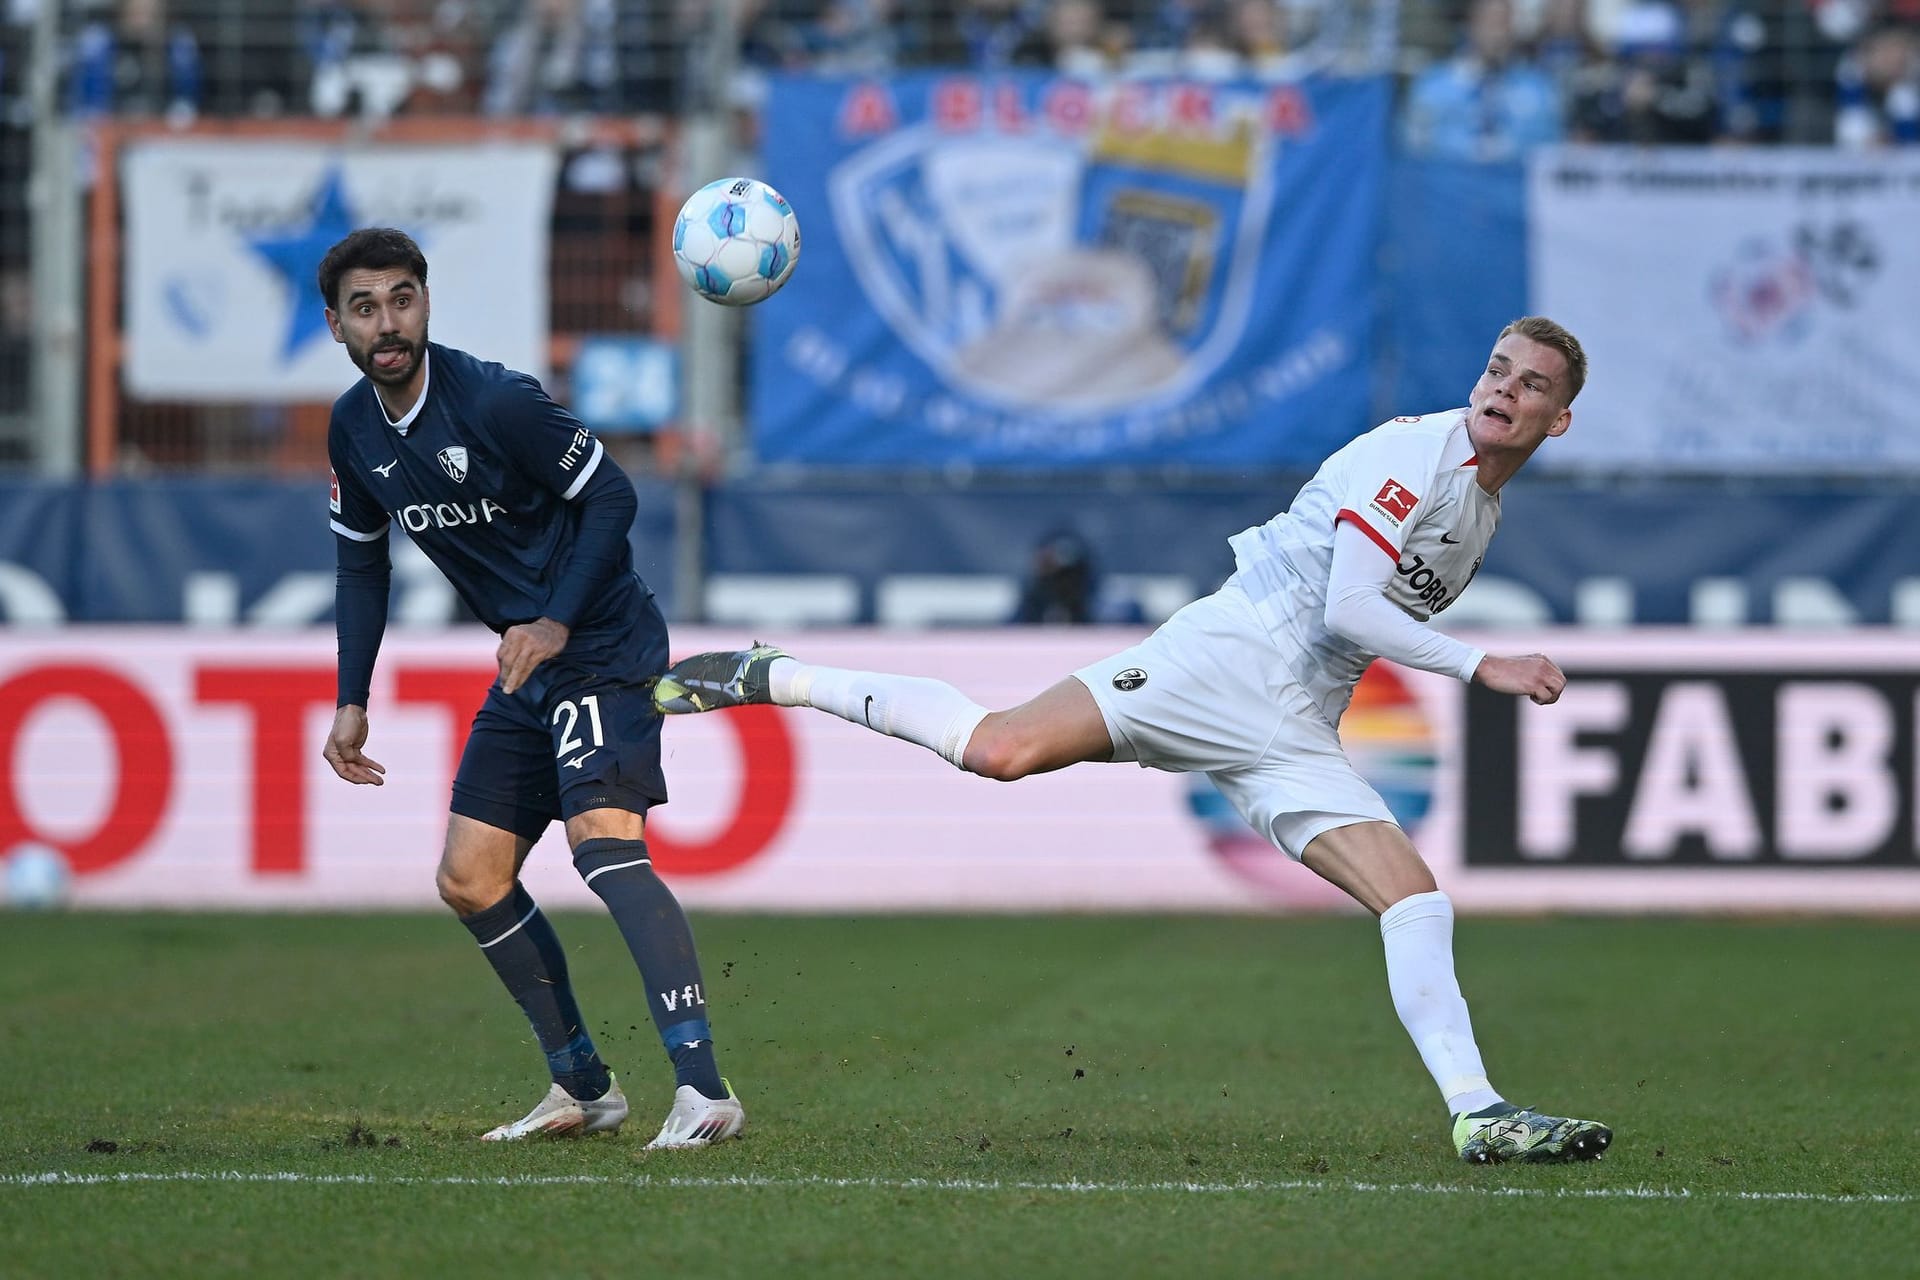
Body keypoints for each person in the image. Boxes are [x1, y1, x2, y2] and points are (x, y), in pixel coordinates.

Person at [657, 316, 1611, 1165]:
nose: (1503, 389)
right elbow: (1352, 603)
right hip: (1228, 658)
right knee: (999, 750)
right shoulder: (1416, 455)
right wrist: (1480, 662)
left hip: (1298, 722)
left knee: (1411, 896)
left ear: (1556, 421)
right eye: (1496, 368)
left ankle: (1479, 1113)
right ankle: (779, 675)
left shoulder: (1481, 507)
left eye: (1531, 385)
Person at [317, 227, 744, 1149]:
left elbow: (614, 496)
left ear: (425, 304)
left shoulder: (497, 401)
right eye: (365, 307)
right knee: (469, 879)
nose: (387, 323)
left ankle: (704, 1090)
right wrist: (353, 694)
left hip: (599, 641)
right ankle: (584, 1087)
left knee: (604, 846)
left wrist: (553, 618)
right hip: (527, 665)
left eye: (401, 299)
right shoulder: (353, 430)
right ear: (337, 327)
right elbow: (362, 567)